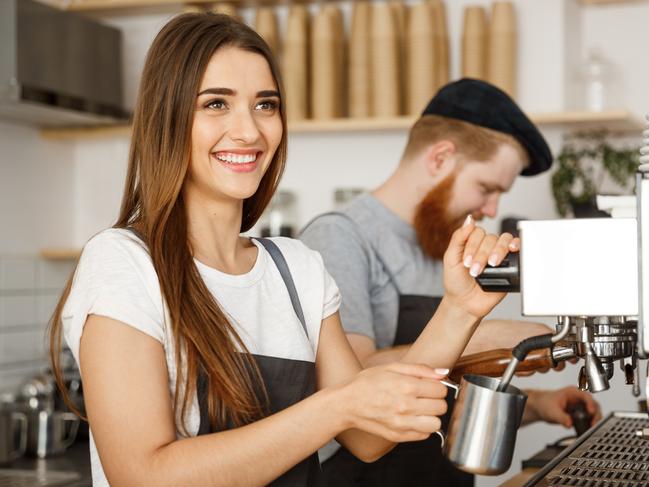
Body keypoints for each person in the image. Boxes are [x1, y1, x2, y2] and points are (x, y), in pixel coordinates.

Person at [47, 16, 524, 487]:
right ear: (166, 118)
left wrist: (460, 310)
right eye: (216, 103)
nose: (250, 131)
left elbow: (366, 436)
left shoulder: (297, 269)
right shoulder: (123, 263)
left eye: (265, 105)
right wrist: (336, 405)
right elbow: (143, 475)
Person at [300, 79, 602, 486]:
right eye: (487, 188)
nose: (492, 208)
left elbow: (445, 389)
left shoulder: (438, 240)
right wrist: (486, 337)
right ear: (441, 157)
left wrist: (540, 405)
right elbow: (352, 384)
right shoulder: (340, 238)